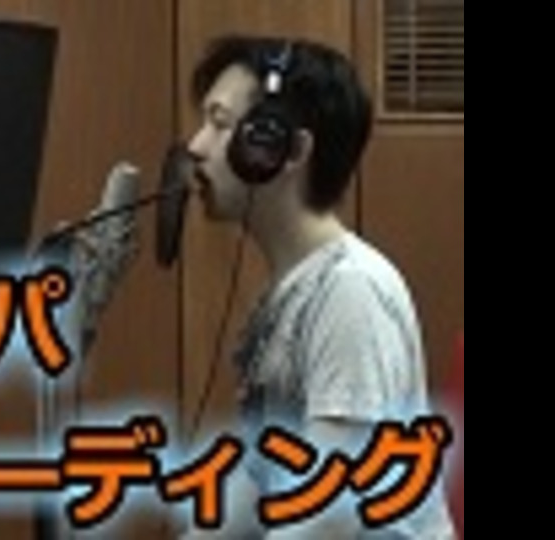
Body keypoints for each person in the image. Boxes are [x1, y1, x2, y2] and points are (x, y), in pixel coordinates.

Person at [177, 35, 457, 539]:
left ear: (288, 150)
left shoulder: (350, 293)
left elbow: (327, 516)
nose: (196, 146)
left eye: (219, 123)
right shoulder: (291, 294)